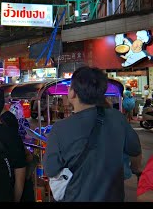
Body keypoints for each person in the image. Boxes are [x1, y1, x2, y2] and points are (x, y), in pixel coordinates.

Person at [44, 66, 142, 202]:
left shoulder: (60, 128)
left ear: (72, 93)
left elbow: (51, 169)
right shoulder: (117, 117)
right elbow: (135, 149)